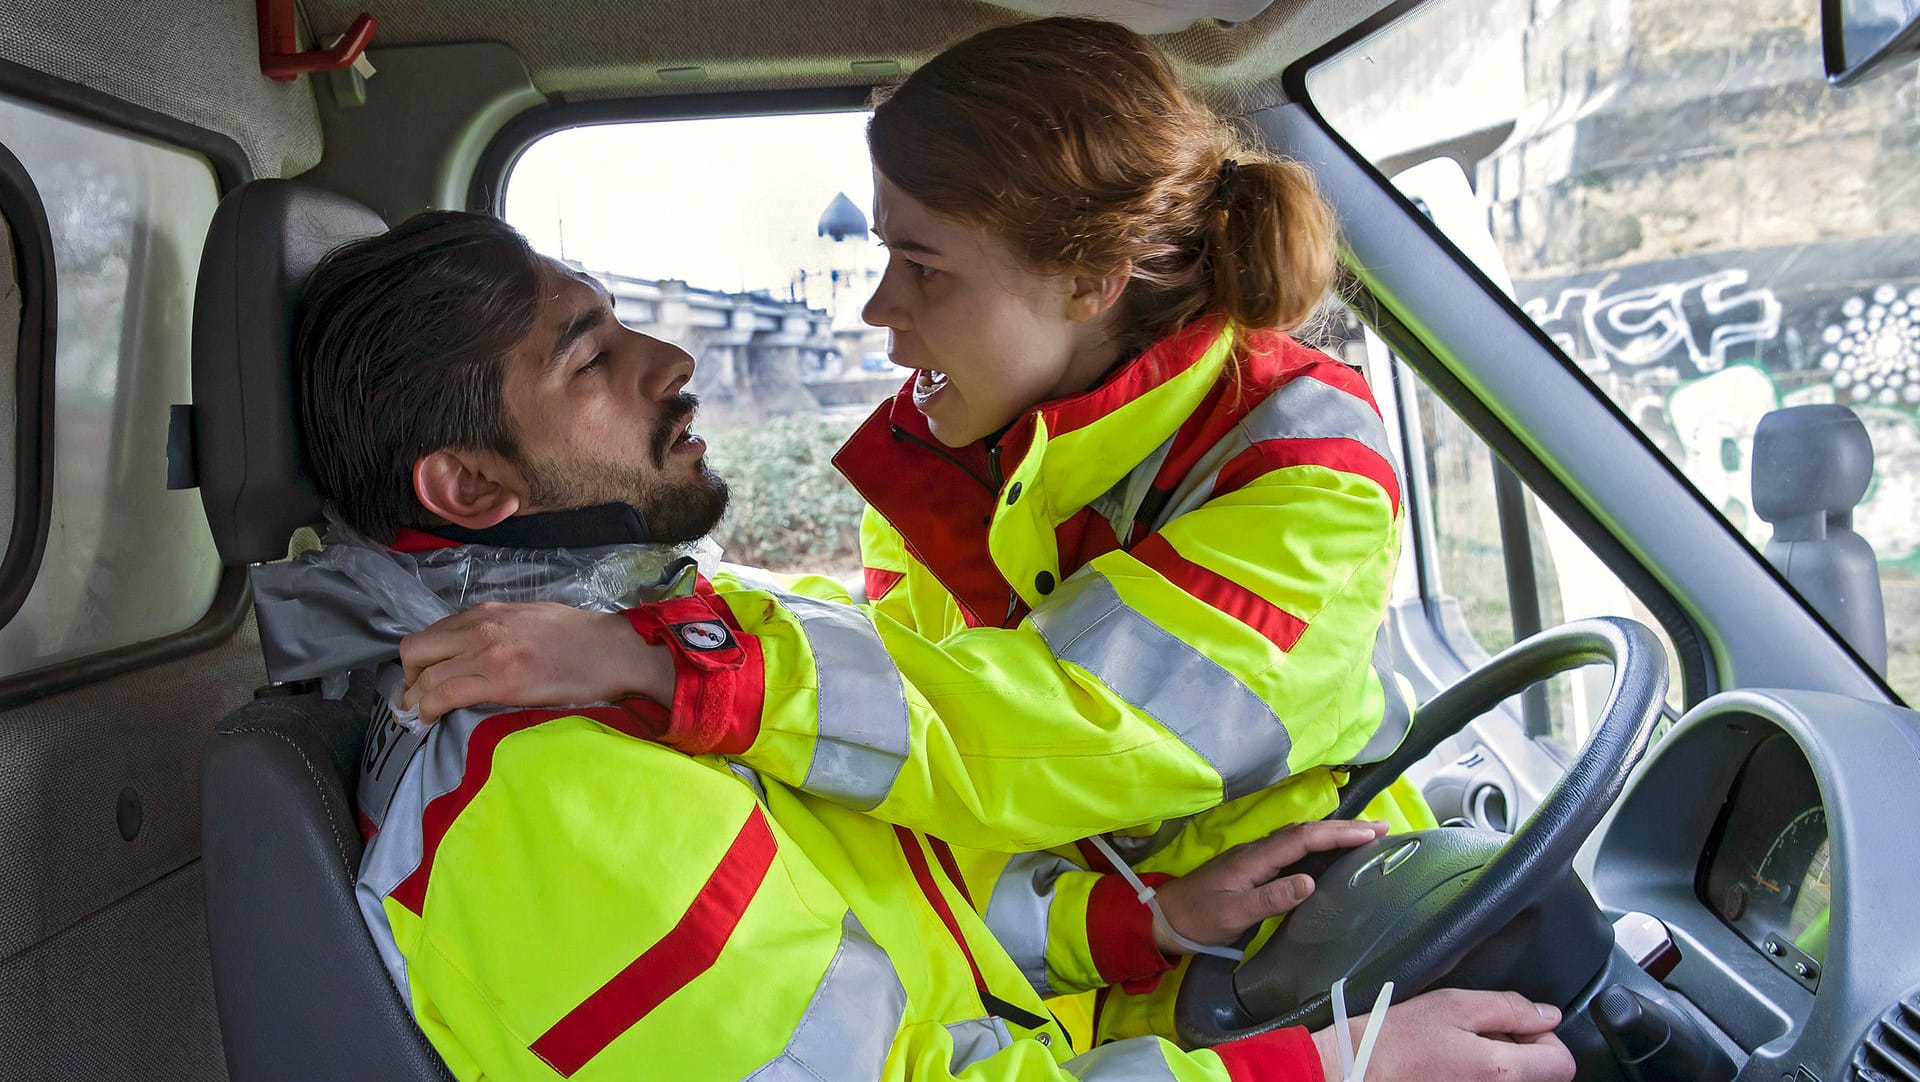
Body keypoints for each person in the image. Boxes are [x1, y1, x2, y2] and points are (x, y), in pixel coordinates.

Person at [256, 208, 1576, 1081]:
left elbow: (871, 905)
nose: (673, 360)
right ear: (473, 491)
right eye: (592, 355)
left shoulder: (626, 658)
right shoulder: (547, 786)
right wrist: (1340, 1065)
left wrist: (1135, 919)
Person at [397, 15, 1427, 1044]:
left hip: (1312, 930)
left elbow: (1035, 735)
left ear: (1091, 280)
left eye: (924, 267)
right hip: (1161, 985)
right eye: (888, 253)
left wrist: (687, 665)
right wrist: (1134, 925)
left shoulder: (1295, 464)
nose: (878, 310)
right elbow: (915, 782)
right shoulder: (947, 462)